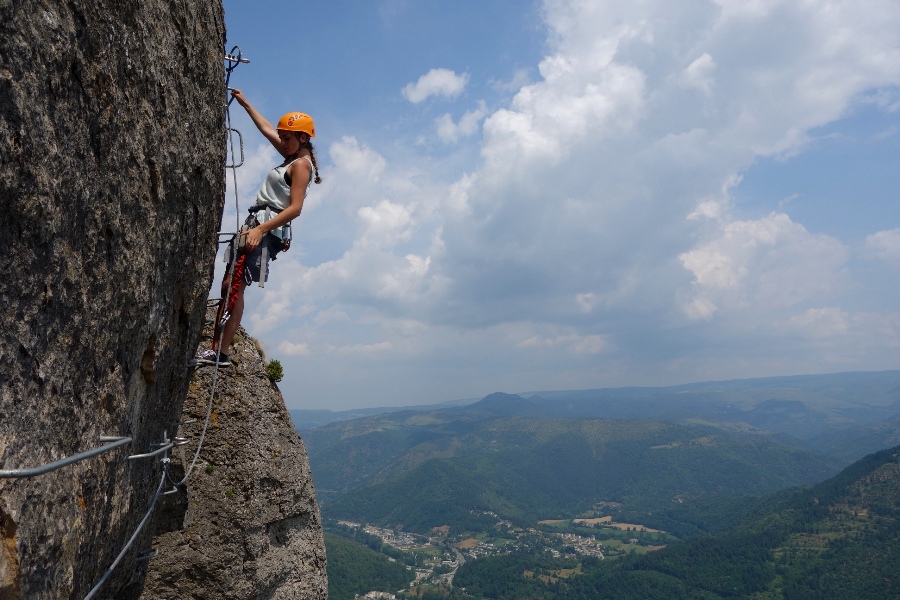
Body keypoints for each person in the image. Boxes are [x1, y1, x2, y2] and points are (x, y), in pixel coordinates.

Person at [195, 89, 322, 367]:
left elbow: (295, 208)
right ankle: (218, 349)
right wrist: (245, 103)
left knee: (234, 284)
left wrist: (260, 230)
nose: (282, 142)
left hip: (265, 229)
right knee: (230, 282)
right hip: (257, 225)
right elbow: (267, 129)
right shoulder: (291, 156)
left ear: (302, 138)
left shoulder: (301, 165)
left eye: (287, 138)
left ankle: (220, 352)